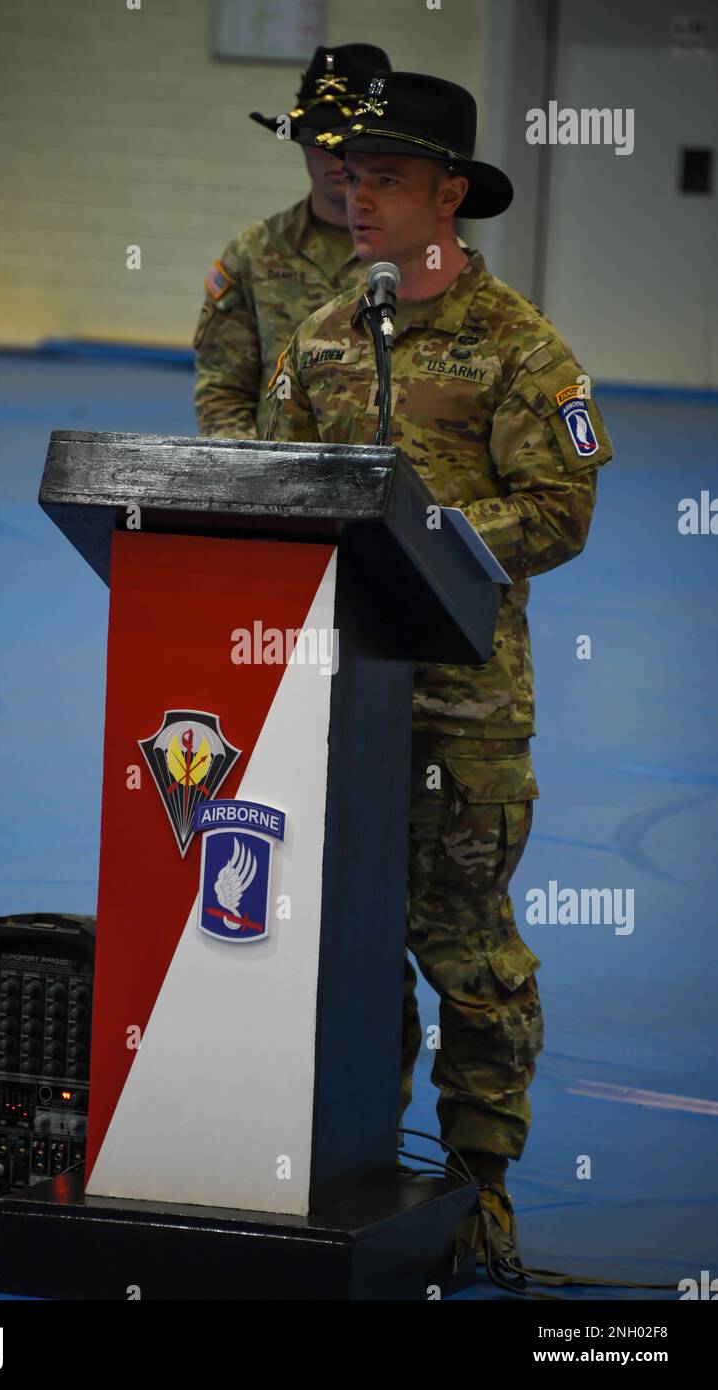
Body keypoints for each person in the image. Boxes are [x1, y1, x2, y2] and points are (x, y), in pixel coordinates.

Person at [265, 71, 614, 1270]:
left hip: (462, 705)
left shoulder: (520, 347)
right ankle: (350, 1161)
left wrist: (426, 533)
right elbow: (267, 490)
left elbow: (557, 512)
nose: (357, 200)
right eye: (350, 177)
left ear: (448, 195)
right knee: (332, 947)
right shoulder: (314, 341)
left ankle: (479, 1185)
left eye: (388, 180)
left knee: (465, 950)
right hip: (328, 705)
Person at [193, 44, 390, 439]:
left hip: (384, 480)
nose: (334, 153)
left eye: (347, 136)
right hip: (275, 480)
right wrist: (247, 478)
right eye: (319, 135)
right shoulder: (255, 251)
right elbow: (223, 390)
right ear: (298, 139)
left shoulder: (420, 258)